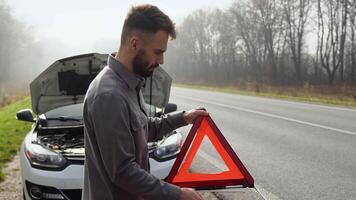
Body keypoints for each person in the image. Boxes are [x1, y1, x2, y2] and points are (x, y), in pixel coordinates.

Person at [82, 4, 209, 200]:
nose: (162, 60)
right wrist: (178, 195)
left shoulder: (130, 83)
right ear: (134, 44)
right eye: (158, 52)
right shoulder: (109, 95)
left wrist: (184, 118)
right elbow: (123, 171)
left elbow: (144, 130)